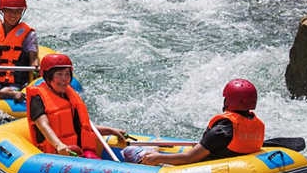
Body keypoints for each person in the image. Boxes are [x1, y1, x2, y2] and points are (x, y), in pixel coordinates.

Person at [136, 78, 265, 166]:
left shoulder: (222, 130)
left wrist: (158, 157)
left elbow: (189, 158)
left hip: (209, 170)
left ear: (229, 101)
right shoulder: (257, 124)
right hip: (237, 169)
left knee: (134, 154)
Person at [27, 54, 125, 159]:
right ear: (48, 77)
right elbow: (43, 125)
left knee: (94, 158)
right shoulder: (38, 98)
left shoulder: (70, 96)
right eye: (59, 74)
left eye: (67, 74)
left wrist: (110, 130)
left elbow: (81, 128)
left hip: (78, 152)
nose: (64, 79)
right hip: (56, 156)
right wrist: (58, 145)